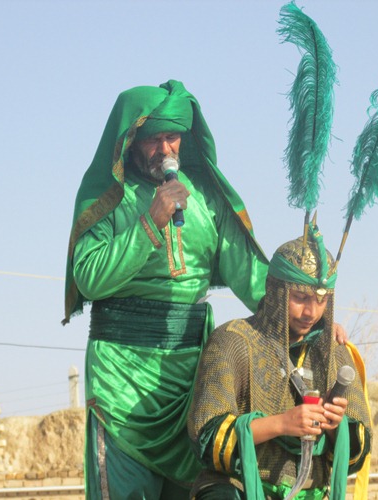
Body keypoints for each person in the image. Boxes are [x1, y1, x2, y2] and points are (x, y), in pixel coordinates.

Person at [62, 80, 270, 499]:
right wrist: (149, 222)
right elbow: (89, 277)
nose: (164, 149)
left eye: (172, 137)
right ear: (130, 141)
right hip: (121, 382)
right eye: (153, 140)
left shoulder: (206, 196)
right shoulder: (107, 195)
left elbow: (252, 277)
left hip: (193, 381)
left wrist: (313, 318)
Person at [188, 223, 372, 500]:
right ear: (275, 290)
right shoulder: (233, 340)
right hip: (237, 489)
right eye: (300, 298)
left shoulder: (335, 353)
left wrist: (336, 427)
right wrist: (281, 424)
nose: (311, 312)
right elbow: (207, 439)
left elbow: (357, 454)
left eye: (321, 300)